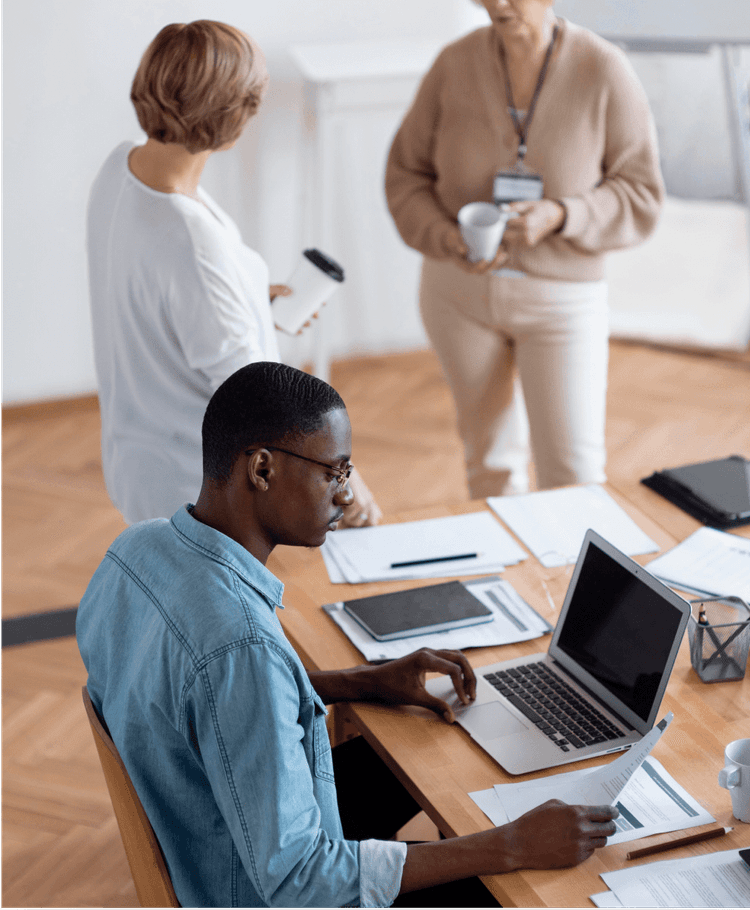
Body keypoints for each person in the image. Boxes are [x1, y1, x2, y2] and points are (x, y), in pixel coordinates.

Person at [77, 360, 619, 908]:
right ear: (261, 469)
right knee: (516, 887)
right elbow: (299, 880)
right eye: (334, 473)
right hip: (254, 888)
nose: (346, 495)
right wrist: (509, 846)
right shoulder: (242, 647)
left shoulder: (135, 550)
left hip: (204, 830)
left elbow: (198, 697)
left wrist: (358, 681)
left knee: (415, 772)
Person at [87, 19, 381, 527]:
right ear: (231, 115)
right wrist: (346, 482)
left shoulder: (122, 168)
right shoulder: (192, 244)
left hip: (135, 455)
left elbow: (157, 291)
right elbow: (258, 396)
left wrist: (246, 301)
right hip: (194, 485)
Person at [385, 0, 665, 498]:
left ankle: (575, 579)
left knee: (574, 476)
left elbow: (641, 194)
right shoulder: (454, 63)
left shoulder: (603, 69)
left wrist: (562, 214)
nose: (496, 3)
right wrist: (446, 237)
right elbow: (406, 176)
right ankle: (509, 579)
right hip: (458, 297)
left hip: (561, 303)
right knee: (489, 468)